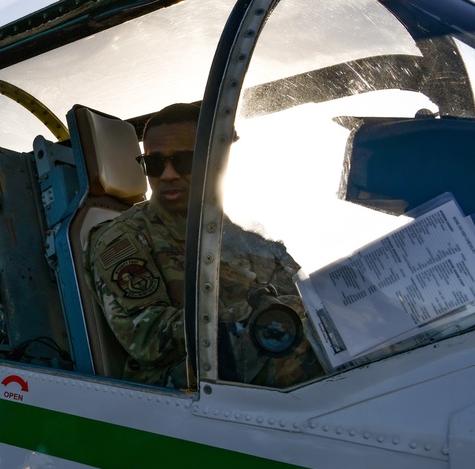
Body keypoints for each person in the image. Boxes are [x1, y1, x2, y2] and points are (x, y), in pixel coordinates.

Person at [87, 102, 315, 388]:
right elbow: (146, 336)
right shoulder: (124, 238)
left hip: (246, 358)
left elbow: (304, 295)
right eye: (155, 165)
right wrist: (253, 318)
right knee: (304, 361)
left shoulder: (236, 236)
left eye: (183, 161)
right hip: (185, 382)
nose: (168, 175)